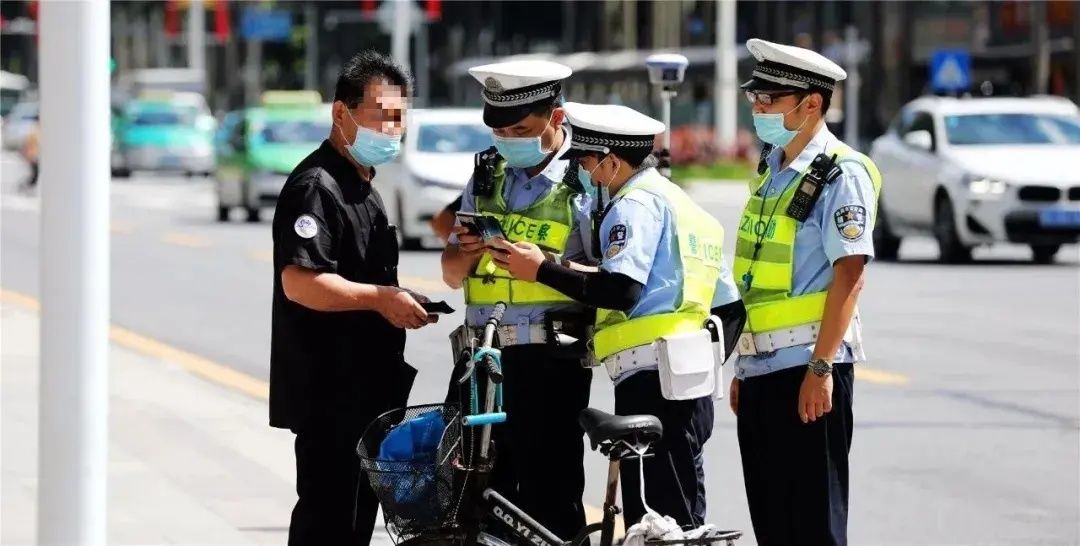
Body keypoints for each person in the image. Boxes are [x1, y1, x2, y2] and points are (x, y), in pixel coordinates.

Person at [492, 102, 746, 528]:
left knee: (652, 522)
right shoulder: (685, 208)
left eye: (590, 164)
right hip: (688, 380)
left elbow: (621, 290)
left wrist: (540, 270)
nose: (589, 175)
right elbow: (730, 308)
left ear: (611, 162)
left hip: (651, 381)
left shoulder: (632, 205)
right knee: (681, 517)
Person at [269, 50, 439, 546]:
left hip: (366, 395)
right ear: (341, 113)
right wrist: (382, 299)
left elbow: (365, 276)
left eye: (399, 118)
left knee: (355, 525)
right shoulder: (316, 187)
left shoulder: (365, 186)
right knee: (329, 522)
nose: (392, 129)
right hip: (330, 396)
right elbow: (301, 282)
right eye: (381, 116)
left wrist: (397, 296)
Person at [728, 39, 882, 546]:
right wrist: (743, 366)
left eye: (768, 100)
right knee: (773, 525)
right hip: (762, 374)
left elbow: (850, 275)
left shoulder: (842, 172)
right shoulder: (772, 170)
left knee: (813, 527)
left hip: (809, 372)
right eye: (756, 99)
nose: (758, 109)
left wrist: (821, 369)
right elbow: (759, 284)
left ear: (810, 103)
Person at [439, 60, 593, 539]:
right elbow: (449, 274)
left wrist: (545, 265)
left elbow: (613, 280)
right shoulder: (487, 173)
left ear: (557, 118)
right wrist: (463, 252)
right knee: (473, 495)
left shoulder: (587, 179)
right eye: (500, 130)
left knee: (550, 494)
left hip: (549, 361)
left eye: (521, 129)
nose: (508, 139)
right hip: (481, 360)